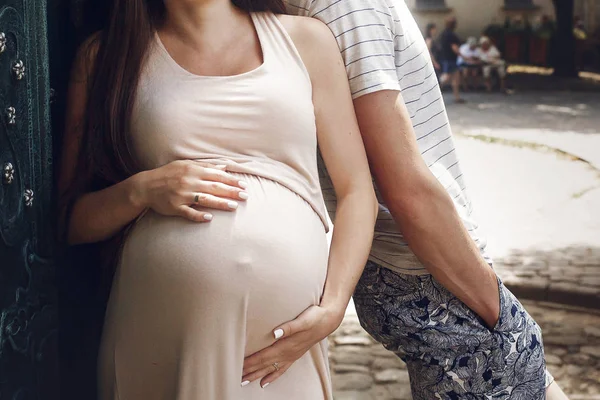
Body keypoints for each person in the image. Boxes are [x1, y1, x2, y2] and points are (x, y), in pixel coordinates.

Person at [242, 0, 572, 399]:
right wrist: (497, 309)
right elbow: (405, 187)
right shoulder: (347, 6)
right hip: (424, 266)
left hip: (408, 264)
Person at [58, 0, 378, 398]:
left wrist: (332, 310)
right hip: (162, 336)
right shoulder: (105, 55)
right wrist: (141, 189)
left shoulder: (306, 40)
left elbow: (357, 192)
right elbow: (69, 220)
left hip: (282, 352)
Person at [438, 16, 465, 103]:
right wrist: (463, 56)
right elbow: (454, 48)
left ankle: (457, 97)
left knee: (455, 78)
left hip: (445, 58)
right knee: (446, 77)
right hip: (451, 59)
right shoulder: (451, 35)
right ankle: (434, 88)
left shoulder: (443, 34)